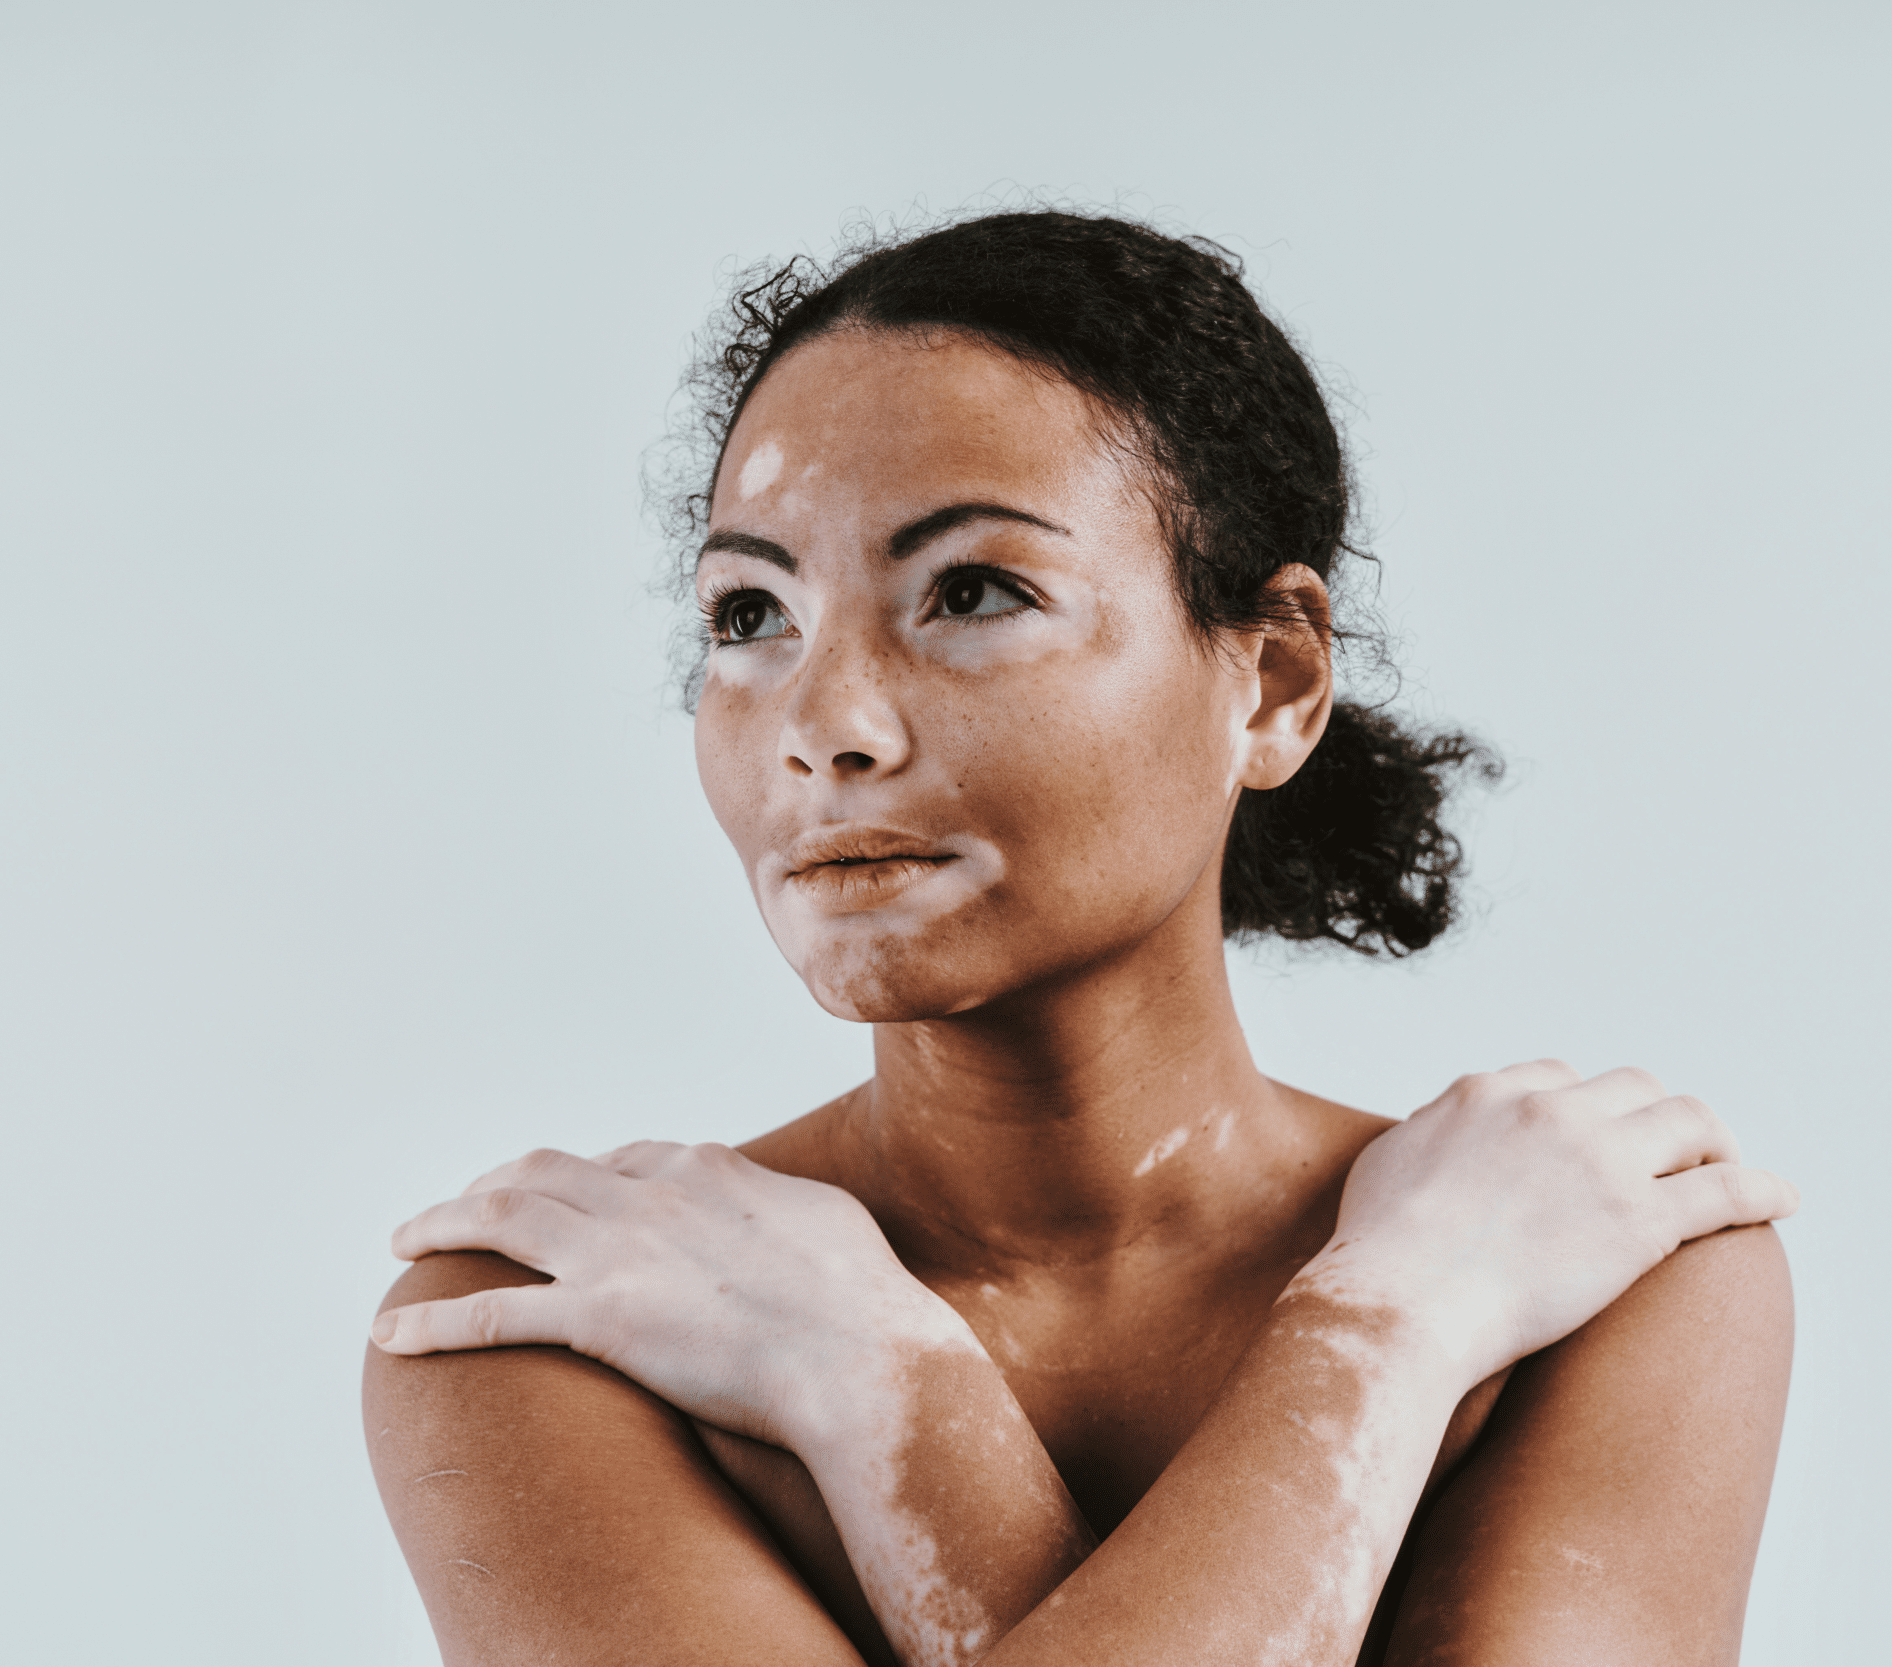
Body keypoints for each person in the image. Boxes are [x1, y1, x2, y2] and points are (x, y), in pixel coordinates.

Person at [361, 210, 1799, 1667]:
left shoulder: (1605, 1260)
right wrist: (1387, 1336)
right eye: (751, 613)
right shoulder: (552, 1308)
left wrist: (897, 1408)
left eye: (974, 591)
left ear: (1276, 682)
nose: (822, 729)